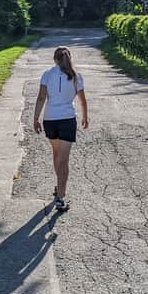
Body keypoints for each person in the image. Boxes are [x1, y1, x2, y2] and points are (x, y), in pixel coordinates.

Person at [33, 46, 89, 212]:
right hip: (67, 120)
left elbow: (41, 97)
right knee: (63, 160)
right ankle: (61, 197)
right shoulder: (75, 76)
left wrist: (36, 118)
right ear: (69, 58)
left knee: (57, 155)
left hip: (50, 119)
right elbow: (83, 100)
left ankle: (59, 188)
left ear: (55, 59)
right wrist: (85, 116)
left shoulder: (47, 74)